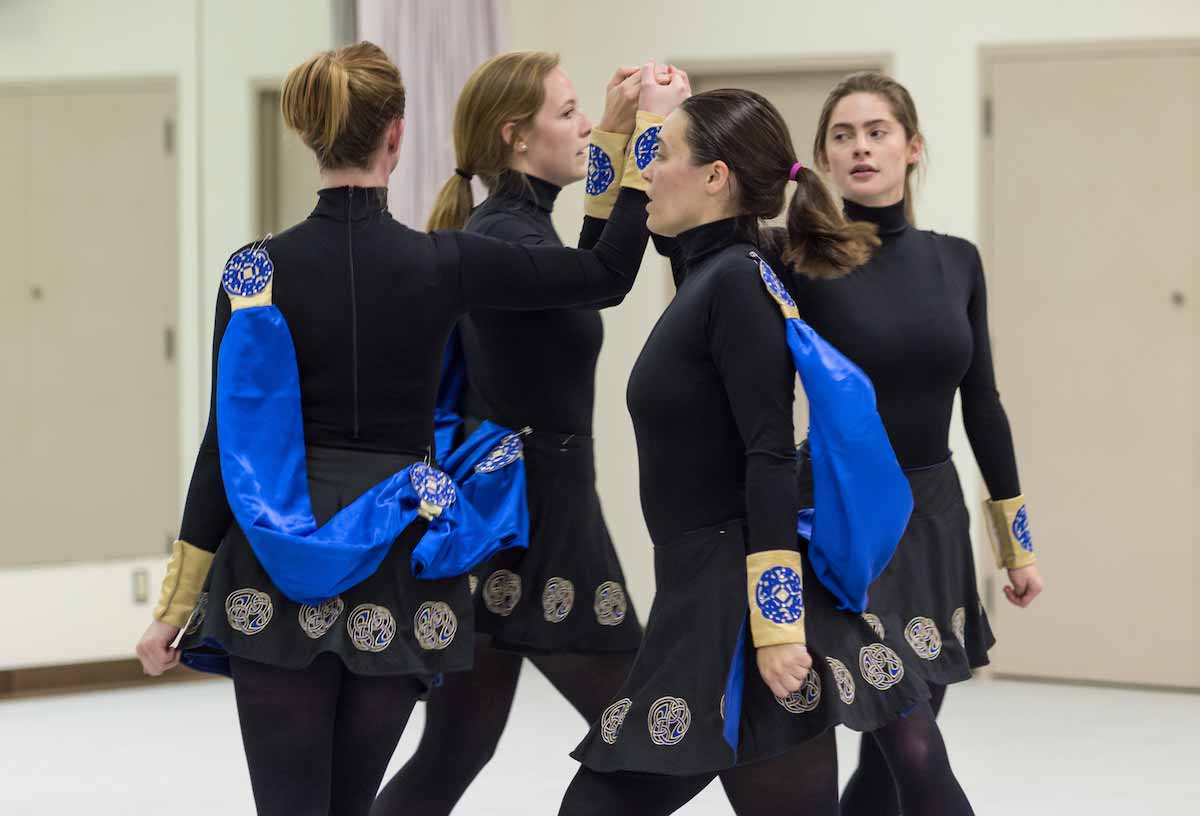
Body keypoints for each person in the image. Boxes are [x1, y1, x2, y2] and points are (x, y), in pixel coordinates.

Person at [133, 42, 685, 816]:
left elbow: (223, 444)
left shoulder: (251, 270)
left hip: (271, 558)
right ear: (398, 136)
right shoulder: (444, 262)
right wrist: (642, 135)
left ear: (308, 135)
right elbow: (607, 275)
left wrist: (175, 601)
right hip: (394, 564)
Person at [559, 88, 927, 816]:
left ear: (716, 178)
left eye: (659, 158)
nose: (647, 174)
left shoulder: (736, 280)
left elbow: (768, 456)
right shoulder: (708, 268)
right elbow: (601, 254)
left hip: (731, 598)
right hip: (700, 589)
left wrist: (778, 626)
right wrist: (627, 127)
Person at [372, 52, 657, 816]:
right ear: (515, 138)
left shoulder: (519, 229)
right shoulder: (503, 238)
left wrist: (621, 131)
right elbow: (611, 275)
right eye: (568, 114)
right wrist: (648, 137)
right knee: (649, 737)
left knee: (457, 746)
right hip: (537, 519)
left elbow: (594, 257)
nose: (585, 125)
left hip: (529, 510)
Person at [784, 69, 1045, 815]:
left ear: (912, 147)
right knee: (916, 745)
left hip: (933, 519)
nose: (860, 148)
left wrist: (1016, 543)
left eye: (877, 132)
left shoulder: (957, 260)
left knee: (893, 747)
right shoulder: (798, 259)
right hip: (841, 522)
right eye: (843, 136)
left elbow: (983, 403)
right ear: (826, 159)